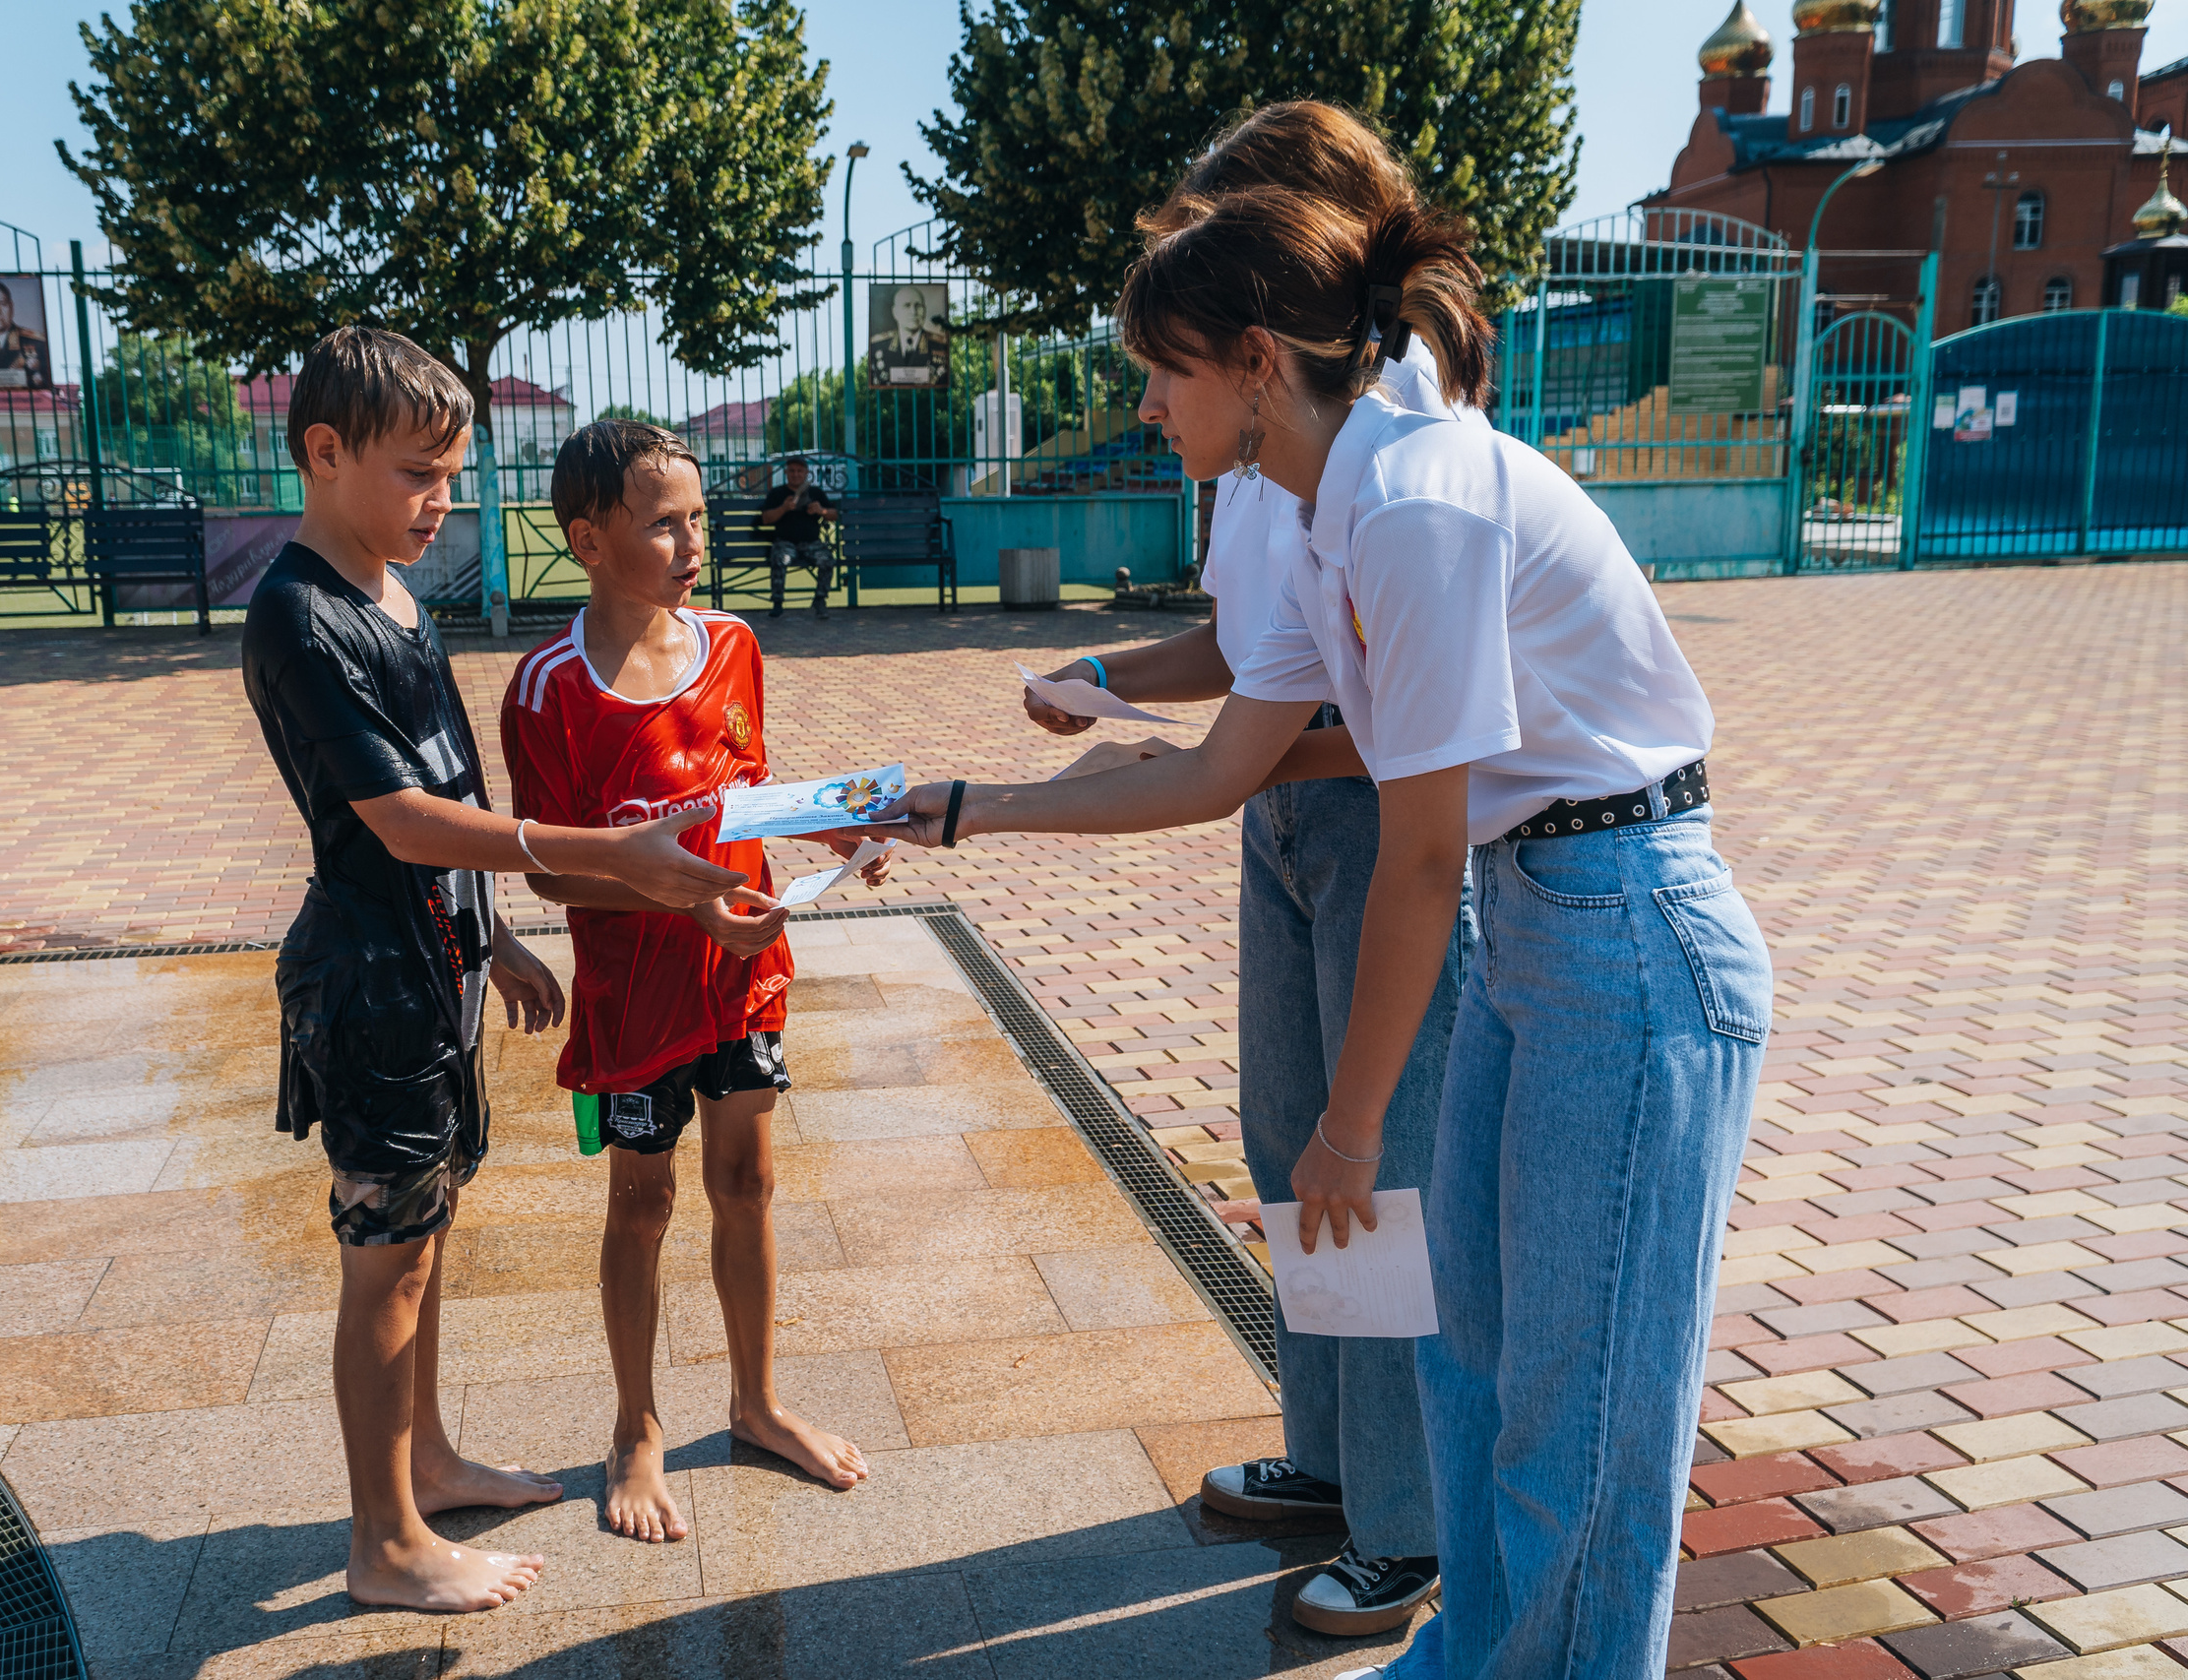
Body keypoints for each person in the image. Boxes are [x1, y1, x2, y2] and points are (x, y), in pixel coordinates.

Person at [865, 152, 1771, 1679]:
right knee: (1480, 1365)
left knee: (1582, 1406)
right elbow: (1222, 763)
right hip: (1543, 910)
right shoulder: (1331, 497)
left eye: (1162, 372)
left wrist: (1350, 1131)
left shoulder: (1414, 501)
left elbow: (1414, 853)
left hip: (1625, 930)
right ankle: (1467, 1651)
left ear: (1257, 363)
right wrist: (967, 804)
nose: (1148, 405)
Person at [1019, 104, 1469, 1642]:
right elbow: (1242, 647)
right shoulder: (1259, 437)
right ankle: (1339, 1462)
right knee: (1294, 1143)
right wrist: (1104, 666)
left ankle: (1409, 1525)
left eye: (1222, 214)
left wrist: (1021, 798)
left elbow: (1392, 731)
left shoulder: (1390, 423)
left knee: (1378, 1160)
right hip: (1285, 813)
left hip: (1359, 812)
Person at [241, 327, 750, 1615]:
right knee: (387, 1257)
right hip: (369, 982)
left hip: (436, 965)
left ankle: (430, 1461)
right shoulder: (300, 614)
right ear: (324, 452)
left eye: (455, 475)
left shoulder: (393, 595)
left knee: (428, 1231)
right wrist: (608, 854)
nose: (444, 502)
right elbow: (405, 819)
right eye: (420, 474)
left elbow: (451, 791)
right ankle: (386, 1539)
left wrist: (496, 933)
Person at [503, 419, 882, 1546]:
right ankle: (636, 1427)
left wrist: (848, 825)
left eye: (699, 518)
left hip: (744, 975)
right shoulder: (548, 690)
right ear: (588, 537)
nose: (691, 542)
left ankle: (758, 1402)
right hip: (634, 1006)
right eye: (662, 522)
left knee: (748, 1182)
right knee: (641, 1201)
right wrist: (683, 902)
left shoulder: (732, 645)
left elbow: (751, 797)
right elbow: (553, 872)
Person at [758, 455, 837, 619]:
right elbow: (765, 519)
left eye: (800, 471)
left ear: (806, 473)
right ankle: (777, 602)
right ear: (786, 472)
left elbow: (834, 515)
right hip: (785, 543)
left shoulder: (815, 492)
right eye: (792, 471)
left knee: (827, 560)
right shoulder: (778, 493)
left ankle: (820, 600)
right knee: (780, 558)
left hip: (811, 543)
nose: (796, 474)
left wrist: (821, 510)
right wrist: (784, 508)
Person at [866, 284, 950, 388]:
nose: (913, 312)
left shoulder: (939, 344)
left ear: (925, 310)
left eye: (918, 306)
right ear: (895, 312)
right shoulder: (879, 345)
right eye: (907, 305)